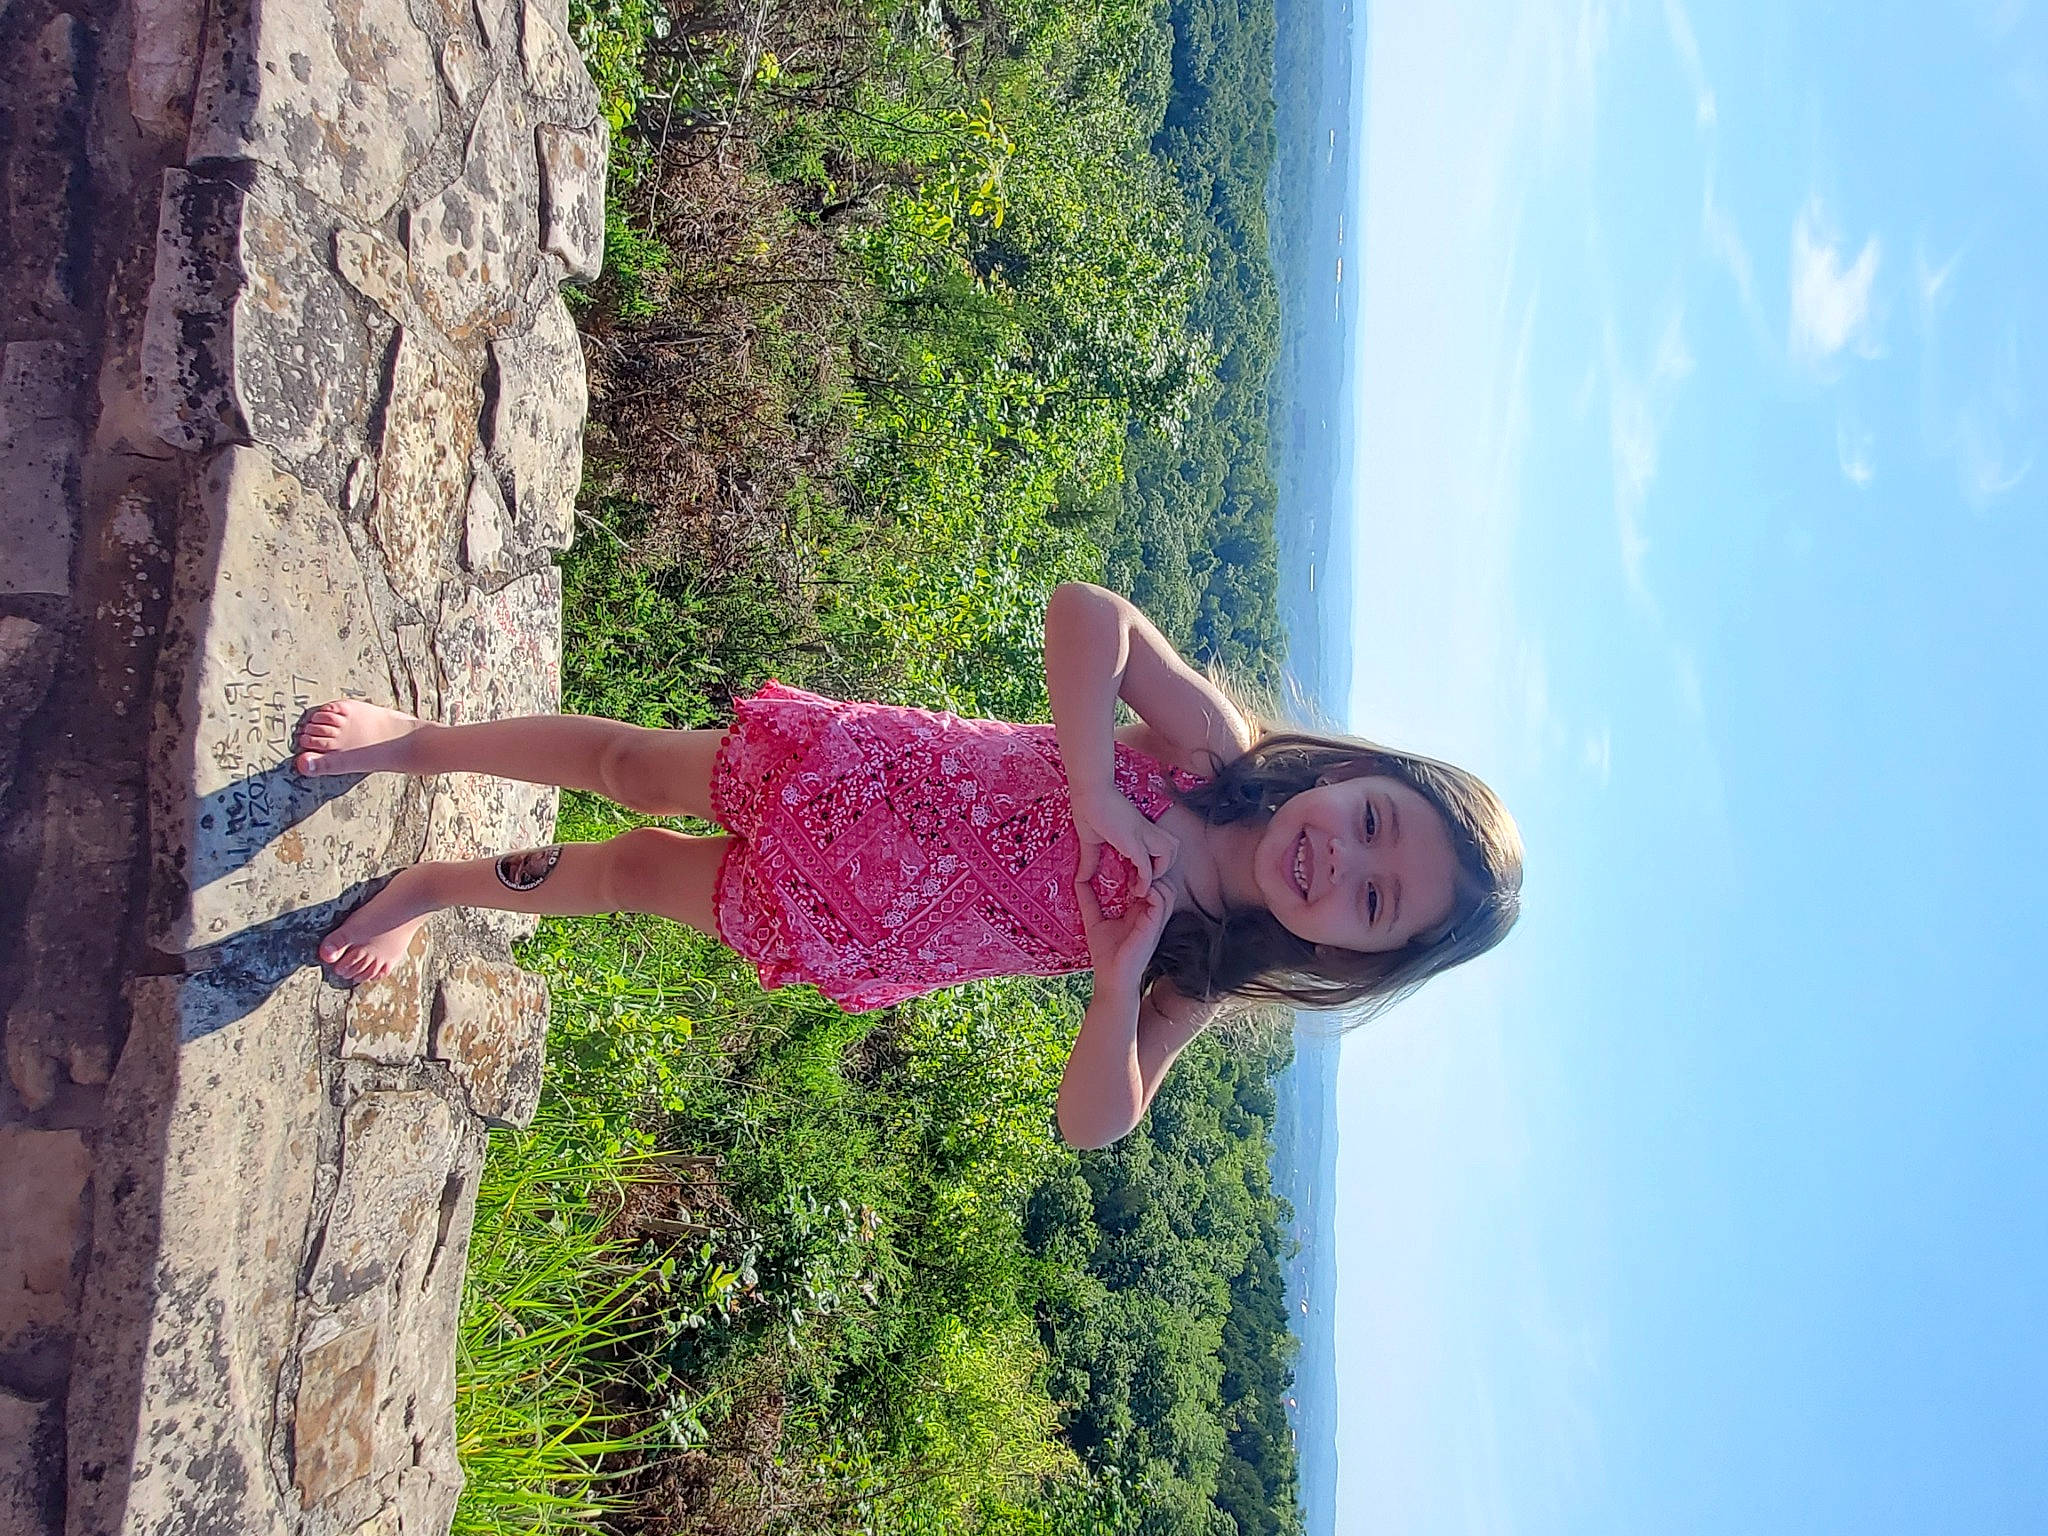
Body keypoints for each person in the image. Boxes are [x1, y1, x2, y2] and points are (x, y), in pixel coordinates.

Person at [294, 582, 1523, 1146]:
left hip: (852, 919)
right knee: (626, 764)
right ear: (1356, 773)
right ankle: (415, 744)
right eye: (1376, 819)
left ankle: (431, 888)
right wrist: (1097, 792)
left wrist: (1114, 981)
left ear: (1346, 955)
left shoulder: (1198, 966)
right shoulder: (1212, 753)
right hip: (855, 774)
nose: (1343, 856)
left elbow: (1094, 1124)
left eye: (1375, 900)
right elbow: (1086, 617)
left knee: (625, 874)